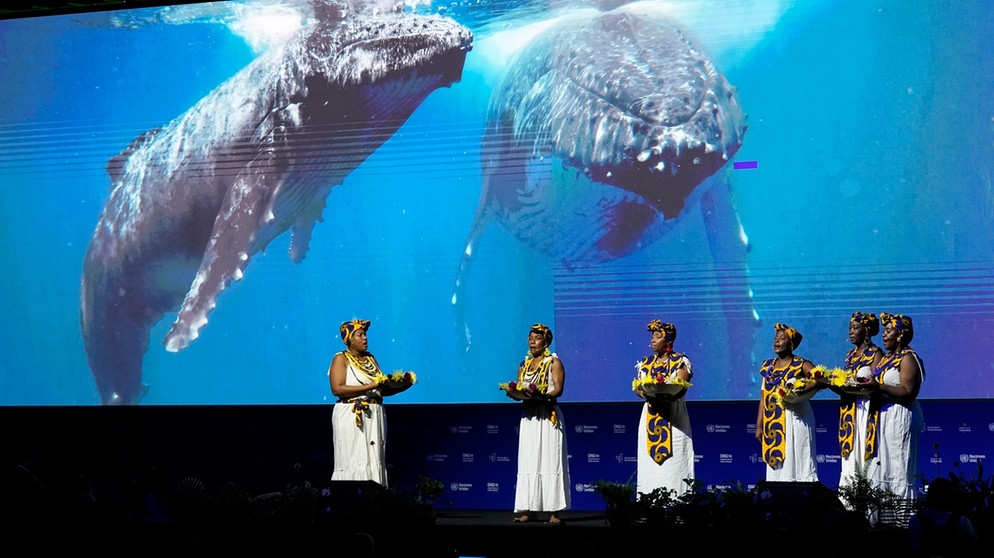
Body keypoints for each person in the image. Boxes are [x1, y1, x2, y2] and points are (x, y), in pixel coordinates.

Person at [328, 319, 411, 486]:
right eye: (360, 335)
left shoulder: (371, 359)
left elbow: (379, 389)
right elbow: (337, 389)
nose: (365, 338)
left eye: (365, 334)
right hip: (351, 415)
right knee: (354, 457)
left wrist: (402, 385)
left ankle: (376, 497)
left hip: (374, 416)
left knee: (374, 457)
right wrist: (370, 386)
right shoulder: (340, 358)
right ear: (350, 339)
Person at [508, 323, 571, 524]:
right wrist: (515, 393)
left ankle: (554, 512)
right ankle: (530, 509)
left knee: (550, 460)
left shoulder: (554, 362)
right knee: (529, 461)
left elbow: (558, 389)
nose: (532, 341)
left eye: (537, 338)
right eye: (530, 337)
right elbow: (520, 388)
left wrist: (541, 396)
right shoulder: (523, 365)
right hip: (529, 417)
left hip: (547, 415)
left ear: (546, 341)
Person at [756, 323, 825, 482]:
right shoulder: (768, 366)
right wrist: (759, 425)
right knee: (778, 469)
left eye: (782, 338)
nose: (777, 341)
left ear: (792, 344)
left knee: (798, 462)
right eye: (775, 338)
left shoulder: (801, 363)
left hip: (796, 419)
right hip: (773, 422)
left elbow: (821, 379)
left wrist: (803, 387)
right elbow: (763, 397)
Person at [633, 320, 695, 496]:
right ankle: (647, 504)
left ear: (668, 341)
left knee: (676, 463)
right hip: (650, 417)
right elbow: (639, 387)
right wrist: (648, 393)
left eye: (657, 336)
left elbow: (681, 385)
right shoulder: (646, 362)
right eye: (652, 336)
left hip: (674, 418)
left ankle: (680, 508)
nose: (652, 340)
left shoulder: (681, 361)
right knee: (649, 466)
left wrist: (666, 394)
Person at [870, 312, 925, 501]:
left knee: (898, 466)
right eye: (883, 332)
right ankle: (883, 517)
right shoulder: (886, 359)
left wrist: (878, 386)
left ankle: (901, 521)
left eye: (888, 331)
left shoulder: (908, 358)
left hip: (901, 414)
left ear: (900, 335)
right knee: (884, 467)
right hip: (884, 415)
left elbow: (909, 391)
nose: (883, 335)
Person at [835, 312, 884, 491]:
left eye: (856, 328)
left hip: (867, 409)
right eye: (850, 328)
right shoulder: (849, 355)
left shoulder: (876, 353)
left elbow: (878, 384)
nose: (851, 332)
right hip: (849, 410)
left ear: (867, 331)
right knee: (850, 459)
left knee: (865, 456)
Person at [907, 477, 978, 558]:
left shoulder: (915, 520)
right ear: (951, 497)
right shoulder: (962, 521)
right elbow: (973, 543)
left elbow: (913, 545)